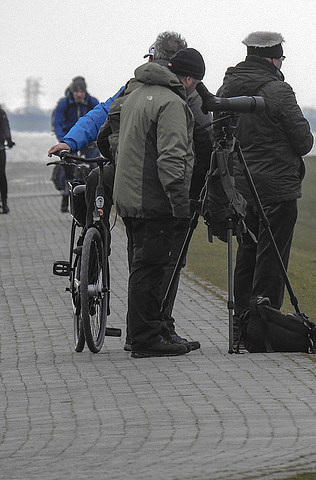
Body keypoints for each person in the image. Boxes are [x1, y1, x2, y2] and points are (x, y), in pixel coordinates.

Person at [47, 31, 211, 351]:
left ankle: (154, 326)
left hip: (131, 182)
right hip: (158, 187)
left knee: (149, 260)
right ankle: (145, 330)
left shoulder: (142, 88)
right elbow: (181, 149)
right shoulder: (170, 95)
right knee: (157, 262)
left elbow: (104, 124)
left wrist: (114, 153)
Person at [114, 48, 205, 358]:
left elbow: (107, 135)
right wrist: (180, 204)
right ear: (189, 78)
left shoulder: (136, 93)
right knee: (151, 266)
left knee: (144, 263)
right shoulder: (172, 103)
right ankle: (145, 337)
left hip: (129, 196)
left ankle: (152, 331)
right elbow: (171, 159)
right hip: (153, 198)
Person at [215, 31, 314, 317]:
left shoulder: (225, 89)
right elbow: (304, 142)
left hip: (239, 189)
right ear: (274, 59)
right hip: (276, 190)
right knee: (272, 257)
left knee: (247, 253)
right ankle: (264, 321)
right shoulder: (279, 91)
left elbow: (218, 138)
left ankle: (241, 321)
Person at [52, 76, 99, 212]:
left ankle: (94, 196)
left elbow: (100, 121)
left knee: (94, 166)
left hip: (88, 139)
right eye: (76, 91)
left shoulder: (92, 102)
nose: (79, 94)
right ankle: (65, 194)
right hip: (69, 139)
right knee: (67, 166)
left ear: (85, 92)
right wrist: (63, 140)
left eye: (81, 91)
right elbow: (58, 123)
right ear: (72, 92)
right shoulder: (64, 104)